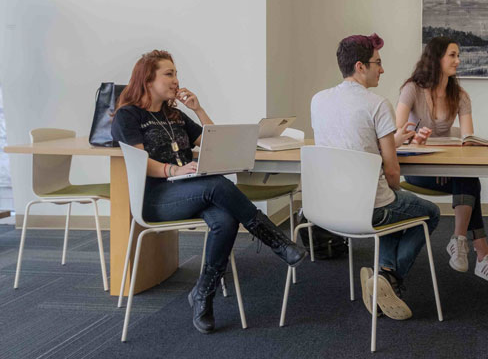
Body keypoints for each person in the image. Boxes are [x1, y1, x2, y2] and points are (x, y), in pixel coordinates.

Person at [111, 50, 306, 334]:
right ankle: (276, 241)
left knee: (225, 221)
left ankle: (203, 295)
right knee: (217, 185)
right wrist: (172, 170)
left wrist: (198, 110)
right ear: (147, 79)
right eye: (169, 74)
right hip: (156, 198)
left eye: (176, 73)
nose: (176, 80)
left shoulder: (175, 115)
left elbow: (216, 144)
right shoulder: (128, 115)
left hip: (190, 191)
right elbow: (139, 162)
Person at [311, 33, 440, 320]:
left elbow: (351, 144)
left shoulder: (318, 100)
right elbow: (393, 172)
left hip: (328, 207)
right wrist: (393, 184)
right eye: (377, 63)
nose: (382, 69)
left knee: (396, 213)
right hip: (370, 208)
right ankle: (390, 278)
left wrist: (395, 140)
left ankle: (382, 278)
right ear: (360, 66)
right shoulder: (377, 104)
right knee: (428, 213)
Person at [397, 37, 488, 284]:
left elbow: (468, 140)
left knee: (467, 177)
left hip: (451, 170)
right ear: (436, 58)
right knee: (472, 184)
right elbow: (395, 135)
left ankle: (460, 241)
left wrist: (451, 159)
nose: (458, 61)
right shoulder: (411, 89)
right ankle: (481, 253)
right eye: (453, 55)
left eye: (458, 56)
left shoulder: (460, 95)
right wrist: (415, 139)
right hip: (419, 169)